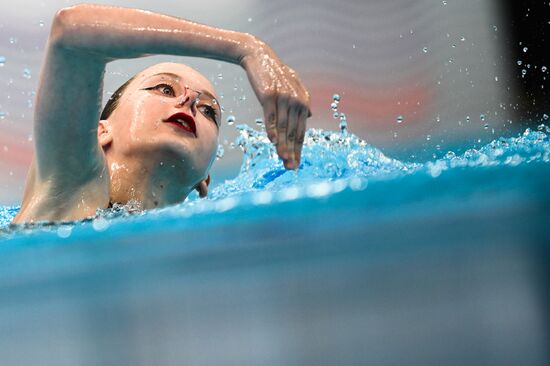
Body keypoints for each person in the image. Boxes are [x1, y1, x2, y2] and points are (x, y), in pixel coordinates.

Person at [12, 4, 311, 224]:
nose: (190, 100)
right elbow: (71, 32)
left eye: (209, 111)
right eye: (165, 89)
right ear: (101, 131)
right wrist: (246, 49)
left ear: (206, 178)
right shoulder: (71, 185)